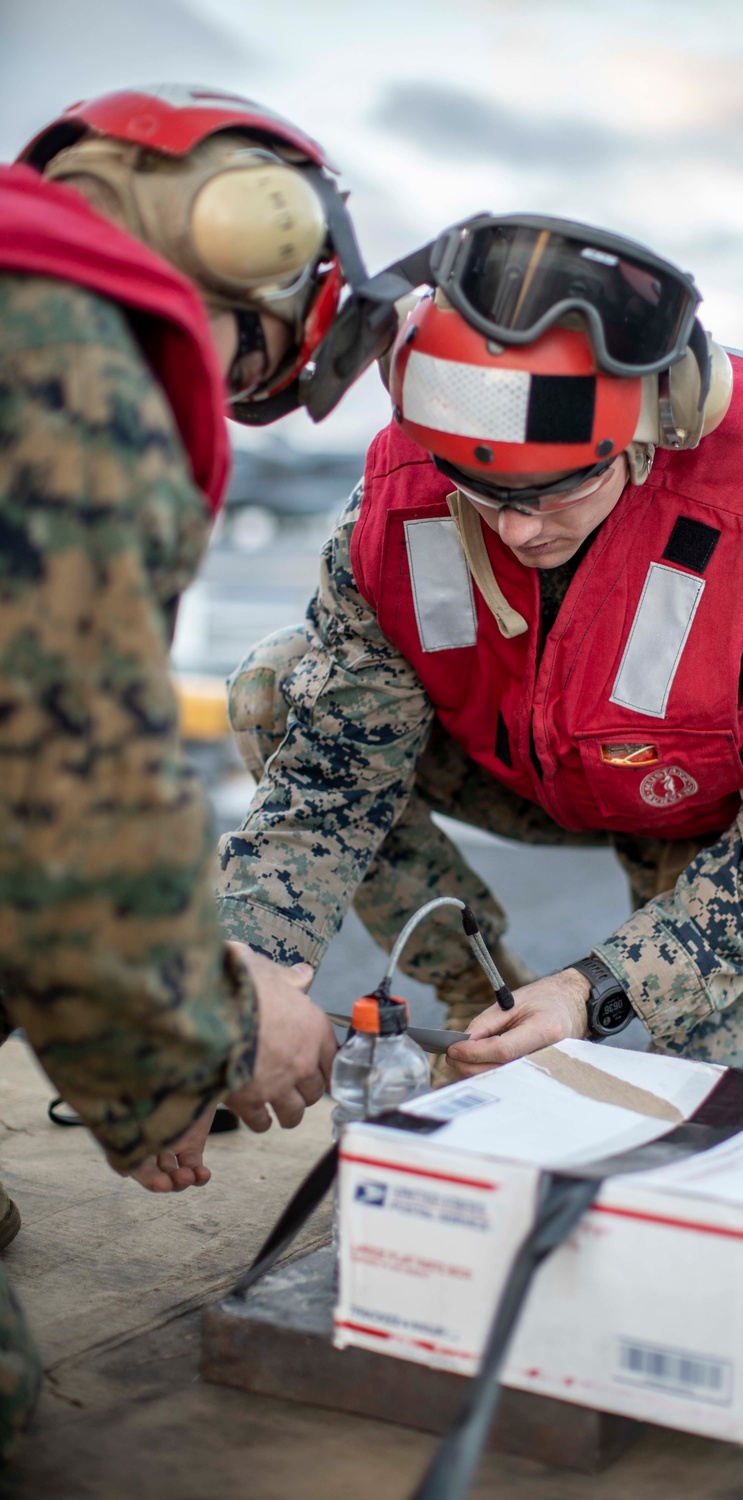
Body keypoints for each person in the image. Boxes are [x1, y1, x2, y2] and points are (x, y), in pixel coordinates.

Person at [216, 213, 743, 1096]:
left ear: (656, 423)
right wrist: (250, 977)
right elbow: (330, 779)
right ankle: (480, 999)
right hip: (517, 763)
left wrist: (594, 992)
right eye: (485, 491)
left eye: (559, 490)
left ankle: (570, 1012)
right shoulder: (396, 503)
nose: (517, 528)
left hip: (727, 814)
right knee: (278, 686)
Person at [0, 83, 385, 1458]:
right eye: (251, 356)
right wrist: (209, 1036)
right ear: (244, 235)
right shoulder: (61, 355)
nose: (222, 393)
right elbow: (60, 808)